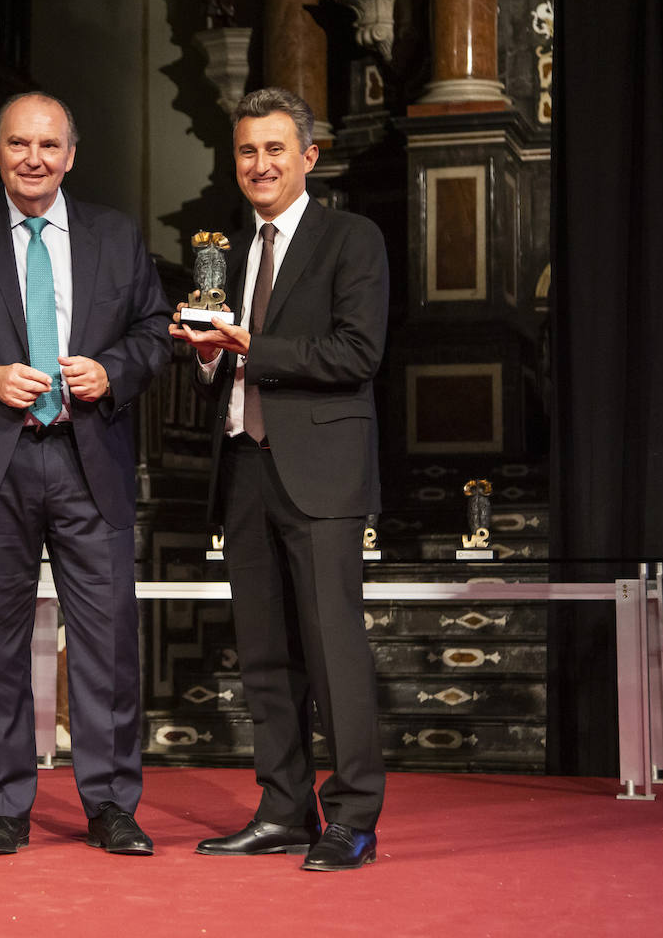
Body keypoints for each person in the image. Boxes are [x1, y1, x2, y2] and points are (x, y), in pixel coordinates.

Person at [0, 91, 172, 855]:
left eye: (49, 146)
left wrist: (110, 371)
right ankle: (6, 805)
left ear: (71, 155)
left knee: (109, 643)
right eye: (19, 144)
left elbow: (155, 333)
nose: (34, 159)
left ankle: (112, 804)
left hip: (90, 462)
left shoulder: (115, 234)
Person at [171, 87, 389, 871]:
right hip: (245, 468)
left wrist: (248, 344)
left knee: (334, 650)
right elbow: (221, 367)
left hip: (322, 475)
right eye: (246, 152)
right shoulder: (224, 253)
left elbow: (356, 354)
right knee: (264, 655)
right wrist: (206, 354)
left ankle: (355, 815)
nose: (259, 165)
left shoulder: (351, 239)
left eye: (273, 150)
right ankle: (285, 807)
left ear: (308, 156)